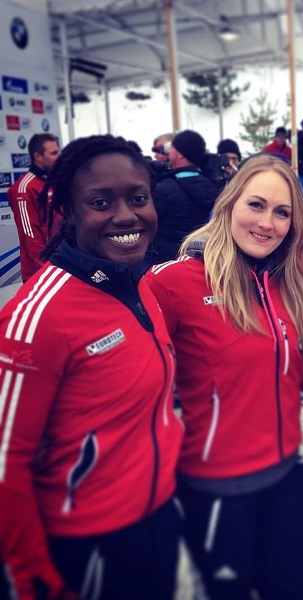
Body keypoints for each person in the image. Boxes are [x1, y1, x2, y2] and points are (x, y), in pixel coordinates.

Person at [0, 135, 184, 599]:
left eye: (138, 198)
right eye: (100, 202)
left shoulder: (138, 282)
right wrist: (29, 569)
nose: (126, 216)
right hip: (85, 547)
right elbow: (4, 463)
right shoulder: (35, 319)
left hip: (157, 520)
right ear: (69, 211)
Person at [146, 154, 303, 600]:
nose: (268, 222)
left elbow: (284, 363)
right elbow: (130, 370)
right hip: (216, 493)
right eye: (256, 205)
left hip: (285, 478)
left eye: (282, 211)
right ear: (229, 205)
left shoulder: (286, 283)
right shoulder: (172, 283)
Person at [152, 129, 220, 263]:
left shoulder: (164, 189)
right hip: (198, 258)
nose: (168, 152)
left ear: (180, 154)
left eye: (172, 148)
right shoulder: (211, 185)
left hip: (165, 261)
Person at [7, 133, 60, 282]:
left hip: (62, 266)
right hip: (40, 272)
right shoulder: (23, 189)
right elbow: (29, 235)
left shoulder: (54, 183)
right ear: (38, 157)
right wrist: (49, 267)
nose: (59, 157)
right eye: (54, 153)